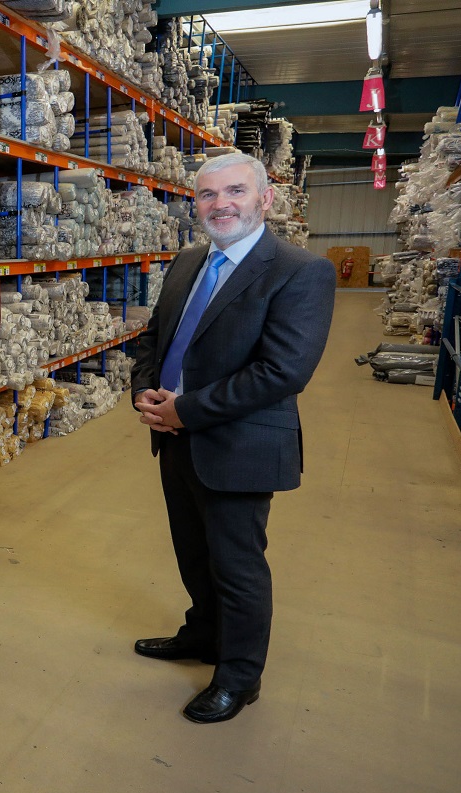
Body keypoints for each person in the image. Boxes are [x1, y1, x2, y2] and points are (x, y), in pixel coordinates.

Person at [130, 152, 335, 723]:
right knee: (192, 551)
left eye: (235, 192)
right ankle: (203, 634)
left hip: (237, 445)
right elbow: (156, 338)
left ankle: (240, 676)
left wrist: (186, 411)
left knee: (237, 566)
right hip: (174, 436)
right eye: (208, 195)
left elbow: (283, 371)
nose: (221, 204)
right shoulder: (190, 262)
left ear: (264, 199)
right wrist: (146, 391)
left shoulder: (299, 271)